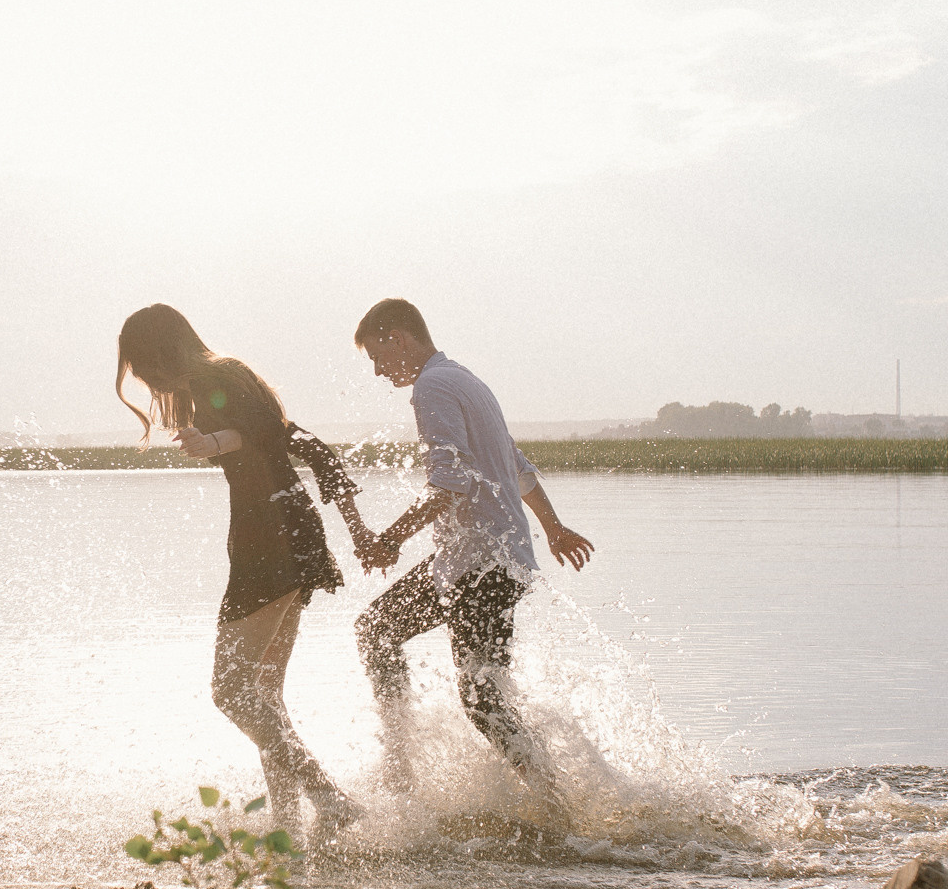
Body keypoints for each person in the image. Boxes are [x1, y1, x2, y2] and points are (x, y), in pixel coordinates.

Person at [117, 305, 370, 840]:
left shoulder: (217, 376)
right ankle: (289, 828)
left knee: (230, 691)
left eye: (139, 364)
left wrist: (216, 441)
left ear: (158, 351)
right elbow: (298, 439)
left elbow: (268, 435)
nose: (139, 377)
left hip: (272, 537)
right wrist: (354, 524)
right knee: (263, 695)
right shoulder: (226, 375)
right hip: (287, 529)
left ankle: (330, 800)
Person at [348, 298, 594, 833]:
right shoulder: (468, 381)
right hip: (485, 561)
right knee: (388, 637)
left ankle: (555, 809)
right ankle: (405, 775)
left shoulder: (432, 387)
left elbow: (451, 478)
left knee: (475, 696)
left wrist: (388, 538)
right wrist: (552, 529)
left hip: (479, 565)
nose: (376, 369)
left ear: (399, 338)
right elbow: (519, 468)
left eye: (376, 354)